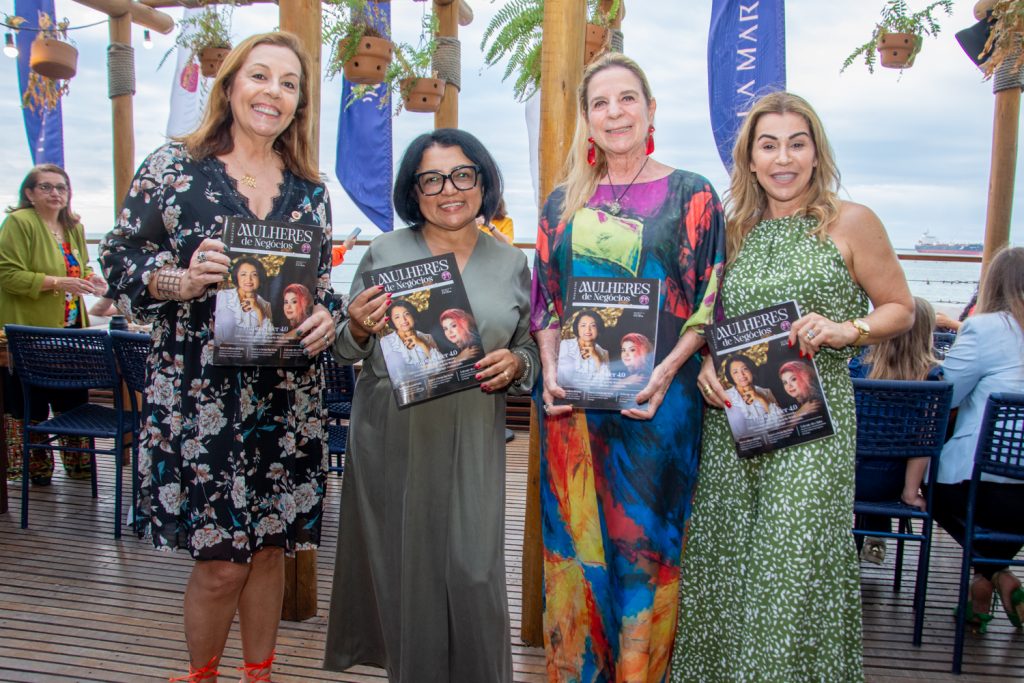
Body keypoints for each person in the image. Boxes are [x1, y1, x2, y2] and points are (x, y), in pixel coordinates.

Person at [99, 32, 336, 682]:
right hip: (202, 401)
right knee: (220, 561)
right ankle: (200, 673)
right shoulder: (174, 168)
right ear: (229, 85)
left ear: (299, 103)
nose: (273, 93)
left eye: (288, 84)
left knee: (266, 553)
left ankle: (257, 672)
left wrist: (327, 316)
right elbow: (117, 257)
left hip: (288, 403)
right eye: (259, 76)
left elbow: (323, 288)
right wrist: (178, 277)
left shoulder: (310, 191)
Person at [673, 91, 914, 682]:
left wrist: (846, 328)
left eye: (797, 143)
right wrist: (703, 361)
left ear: (816, 152)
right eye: (769, 144)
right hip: (736, 425)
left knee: (792, 563)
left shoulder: (851, 222)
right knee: (728, 563)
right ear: (750, 159)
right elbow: (710, 321)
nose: (784, 158)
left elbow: (900, 310)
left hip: (814, 428)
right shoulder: (732, 231)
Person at [532, 53, 725, 680]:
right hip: (573, 412)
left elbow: (709, 301)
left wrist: (668, 370)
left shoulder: (692, 193)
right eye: (600, 103)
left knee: (647, 557)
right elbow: (545, 304)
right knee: (578, 554)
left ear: (650, 111)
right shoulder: (562, 203)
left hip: (657, 410)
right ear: (586, 121)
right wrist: (550, 366)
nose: (614, 113)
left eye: (627, 99)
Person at [323, 128, 539, 683]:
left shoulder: (512, 263)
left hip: (472, 431)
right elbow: (347, 348)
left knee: (473, 571)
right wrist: (356, 325)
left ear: (483, 183)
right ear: (413, 192)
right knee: (407, 573)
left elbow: (530, 350)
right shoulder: (384, 252)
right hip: (394, 432)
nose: (449, 189)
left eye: (463, 174)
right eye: (432, 179)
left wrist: (516, 365)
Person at [931, 247, 1024, 634]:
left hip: (985, 481)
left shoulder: (986, 328)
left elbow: (946, 393)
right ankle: (990, 580)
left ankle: (994, 578)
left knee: (923, 488)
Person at [0, 164, 104, 484]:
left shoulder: (73, 226)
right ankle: (34, 471)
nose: (56, 193)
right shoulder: (18, 223)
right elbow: (7, 275)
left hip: (70, 329)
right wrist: (60, 283)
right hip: (29, 330)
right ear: (29, 193)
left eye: (61, 187)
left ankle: (78, 465)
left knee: (72, 396)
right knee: (28, 401)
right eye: (46, 187)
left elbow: (80, 267)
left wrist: (90, 278)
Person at [849, 296, 943, 564]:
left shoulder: (858, 367)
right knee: (889, 458)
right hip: (891, 482)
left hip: (849, 474)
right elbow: (924, 443)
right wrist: (910, 492)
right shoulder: (932, 377)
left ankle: (854, 543)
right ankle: (878, 534)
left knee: (867, 452)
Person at [213, 256, 274, 345]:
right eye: (243, 274)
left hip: (249, 358)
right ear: (236, 276)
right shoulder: (222, 295)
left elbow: (268, 342)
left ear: (260, 277)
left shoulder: (265, 305)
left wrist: (258, 310)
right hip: (221, 355)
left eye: (254, 274)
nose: (248, 279)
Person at [721, 353, 784, 438]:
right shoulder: (726, 396)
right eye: (735, 372)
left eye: (745, 369)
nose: (741, 374)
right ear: (731, 376)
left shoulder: (766, 392)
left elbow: (781, 423)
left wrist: (761, 398)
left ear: (751, 370)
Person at [378, 298, 444, 376]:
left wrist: (421, 343)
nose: (403, 320)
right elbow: (392, 373)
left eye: (406, 314)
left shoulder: (427, 337)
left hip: (430, 386)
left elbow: (441, 366)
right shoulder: (386, 341)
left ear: (413, 315)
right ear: (392, 321)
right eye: (397, 317)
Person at [555, 308, 612, 387]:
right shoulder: (565, 345)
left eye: (593, 325)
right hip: (564, 394)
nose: (588, 330)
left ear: (598, 328)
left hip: (590, 397)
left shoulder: (604, 353)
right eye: (583, 325)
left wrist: (596, 357)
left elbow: (605, 384)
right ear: (577, 328)